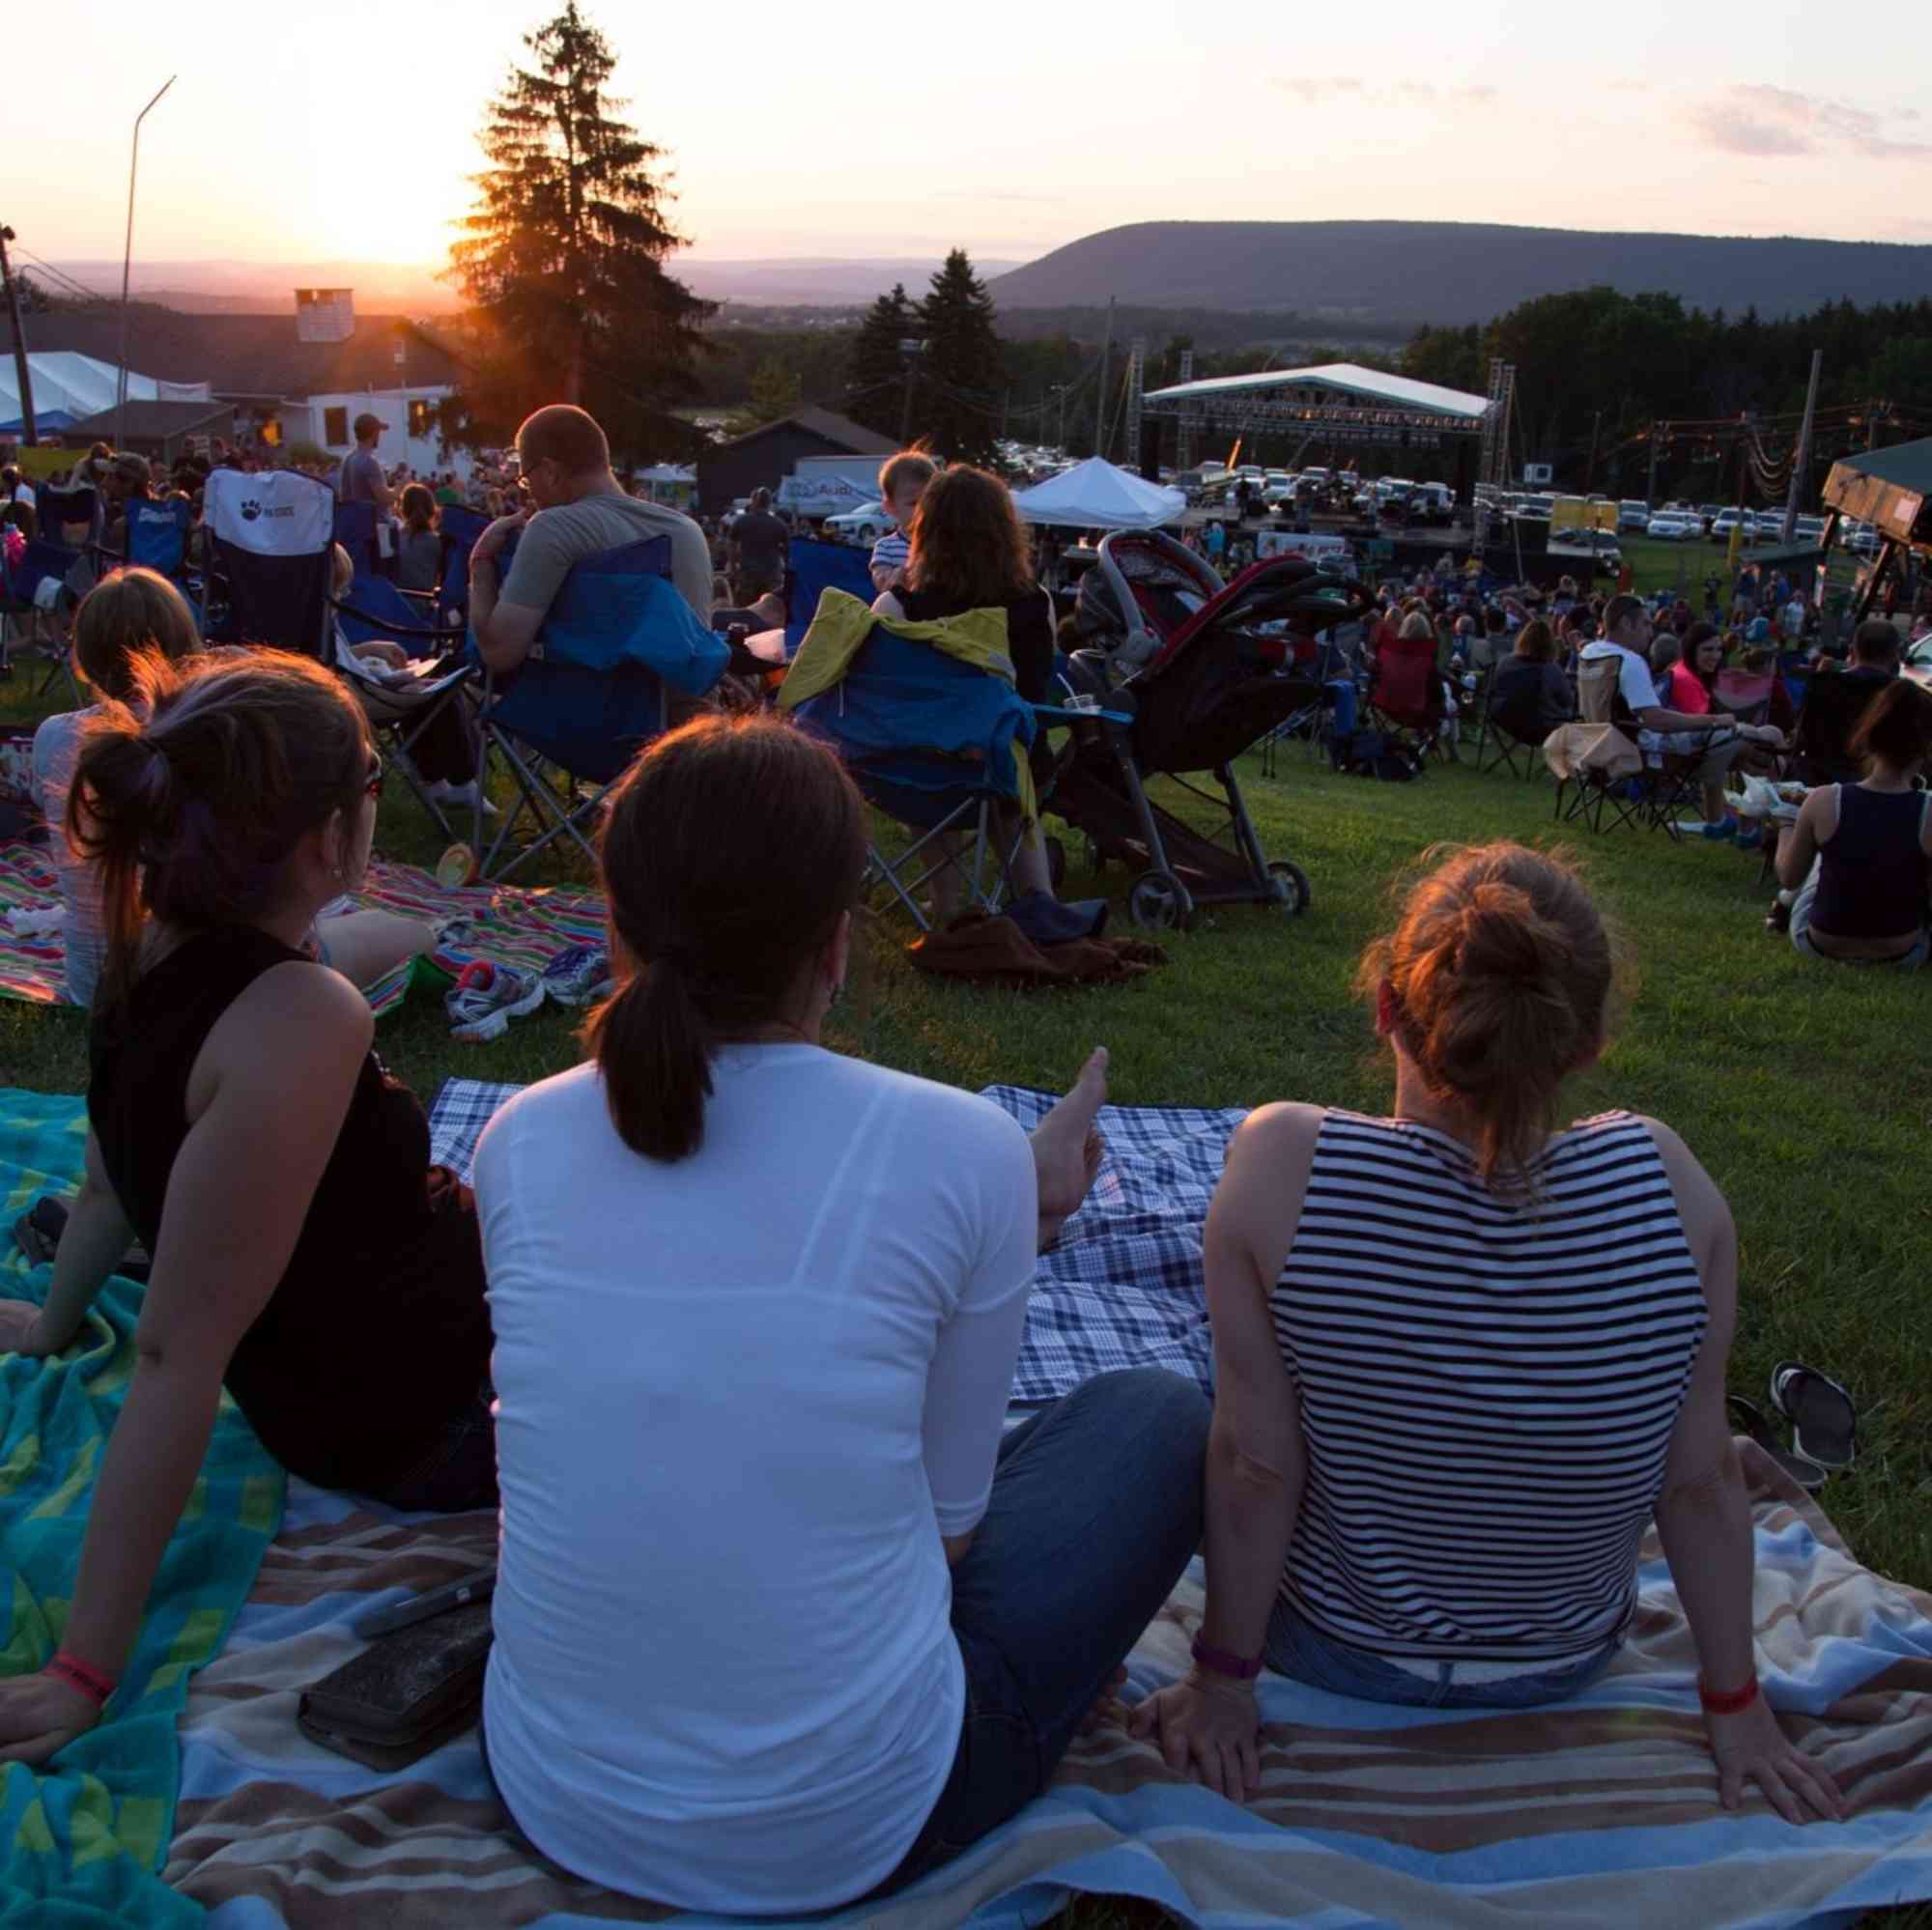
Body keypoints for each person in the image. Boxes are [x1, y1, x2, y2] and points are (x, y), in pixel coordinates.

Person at [474, 713, 1208, 1912]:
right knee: (1153, 1418)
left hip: (556, 1787)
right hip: (854, 1818)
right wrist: (1004, 1212)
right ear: (835, 946)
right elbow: (946, 1536)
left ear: (613, 926)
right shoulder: (965, 1149)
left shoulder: (517, 1142)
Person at [1129, 843, 1847, 1828]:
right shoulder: (1669, 1186)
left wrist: (1219, 1684)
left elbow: (1256, 1466)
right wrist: (1734, 1706)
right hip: (1557, 1664)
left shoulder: (1278, 1163)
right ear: (1587, 1043)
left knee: (1177, 1412)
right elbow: (1694, 1482)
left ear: (1386, 1005)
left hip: (1338, 1650)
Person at [0, 653, 506, 1767]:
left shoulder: (149, 954)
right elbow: (178, 1358)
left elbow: (103, 1182)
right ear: (329, 838)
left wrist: (48, 1324)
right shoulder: (300, 1018)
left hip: (370, 1367)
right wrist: (83, 1670)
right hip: (441, 1417)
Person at [469, 405, 713, 679]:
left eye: (526, 480)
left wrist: (480, 564)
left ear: (550, 471)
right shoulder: (687, 531)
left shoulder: (553, 528)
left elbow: (500, 654)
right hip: (688, 715)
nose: (530, 494)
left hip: (587, 716)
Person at [1581, 593, 1779, 842]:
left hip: (1596, 744)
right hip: (1642, 752)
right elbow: (1656, 720)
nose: (1649, 631)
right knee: (1747, 739)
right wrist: (1712, 721)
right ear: (1625, 624)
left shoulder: (1590, 652)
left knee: (1747, 747)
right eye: (1644, 624)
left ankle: (1738, 823)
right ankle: (1758, 820)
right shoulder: (1629, 662)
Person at [1776, 678, 1932, 967]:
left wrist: (1787, 824)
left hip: (1819, 942)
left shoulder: (1823, 800)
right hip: (1902, 952)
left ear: (1868, 736)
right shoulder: (1928, 811)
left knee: (1822, 861)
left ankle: (1779, 912)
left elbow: (1789, 878)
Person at [1486, 617, 1574, 739]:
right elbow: (1567, 700)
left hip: (1504, 721)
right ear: (1549, 643)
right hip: (1540, 727)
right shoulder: (1551, 669)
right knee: (1570, 713)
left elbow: (1492, 691)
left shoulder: (1505, 663)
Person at [868, 448, 936, 594]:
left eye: (929, 501)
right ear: (891, 507)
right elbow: (881, 582)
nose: (922, 509)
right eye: (913, 503)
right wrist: (899, 575)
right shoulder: (886, 547)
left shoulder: (943, 543)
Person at [727, 486, 791, 605]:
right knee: (771, 612)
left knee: (745, 612)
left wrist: (733, 568)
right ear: (769, 503)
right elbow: (789, 551)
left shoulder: (741, 522)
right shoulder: (779, 524)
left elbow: (731, 546)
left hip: (747, 576)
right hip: (772, 577)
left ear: (753, 501)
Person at [337, 412, 395, 516]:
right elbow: (385, 499)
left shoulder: (348, 458)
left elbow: (343, 497)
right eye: (378, 432)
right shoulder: (369, 461)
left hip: (356, 522)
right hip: (374, 525)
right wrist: (403, 485)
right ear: (374, 433)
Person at [394, 482, 441, 593]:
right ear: (431, 509)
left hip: (395, 603)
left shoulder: (394, 539)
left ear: (403, 510)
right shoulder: (437, 542)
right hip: (424, 603)